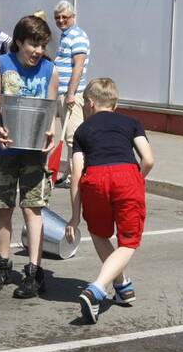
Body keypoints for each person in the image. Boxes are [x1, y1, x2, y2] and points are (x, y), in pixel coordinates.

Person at [0, 14, 61, 297]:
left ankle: (34, 271)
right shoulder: (1, 65)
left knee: (33, 208)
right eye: (33, 45)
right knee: (3, 205)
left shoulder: (50, 70)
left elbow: (51, 111)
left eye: (42, 46)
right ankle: (2, 265)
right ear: (18, 42)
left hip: (34, 152)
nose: (38, 52)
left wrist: (51, 132)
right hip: (3, 148)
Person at [65, 78, 155, 323]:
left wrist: (74, 216)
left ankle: (123, 287)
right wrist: (136, 179)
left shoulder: (82, 130)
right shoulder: (131, 122)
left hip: (94, 179)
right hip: (127, 175)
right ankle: (97, 289)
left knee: (98, 233)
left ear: (91, 103)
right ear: (115, 105)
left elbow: (76, 174)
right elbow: (148, 159)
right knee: (128, 242)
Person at [53, 1, 90, 183]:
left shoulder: (77, 36)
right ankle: (69, 174)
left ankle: (76, 176)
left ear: (73, 17)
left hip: (70, 94)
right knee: (68, 135)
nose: (61, 20)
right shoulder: (65, 35)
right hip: (62, 93)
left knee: (72, 137)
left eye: (64, 17)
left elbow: (79, 66)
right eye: (57, 17)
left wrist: (70, 93)